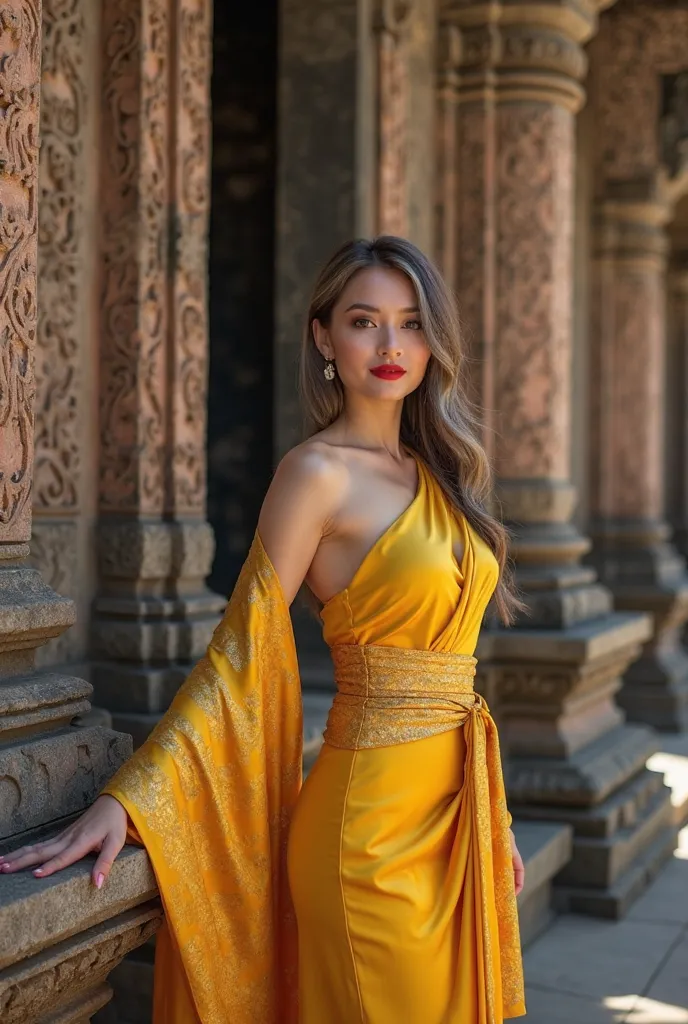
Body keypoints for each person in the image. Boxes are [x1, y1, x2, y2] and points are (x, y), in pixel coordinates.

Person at [1, 236, 526, 1023]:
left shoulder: (444, 473)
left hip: (458, 817)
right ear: (323, 336)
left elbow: (457, 676)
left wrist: (498, 820)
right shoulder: (315, 474)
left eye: (411, 323)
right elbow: (239, 654)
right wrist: (134, 799)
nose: (390, 345)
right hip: (366, 836)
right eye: (363, 321)